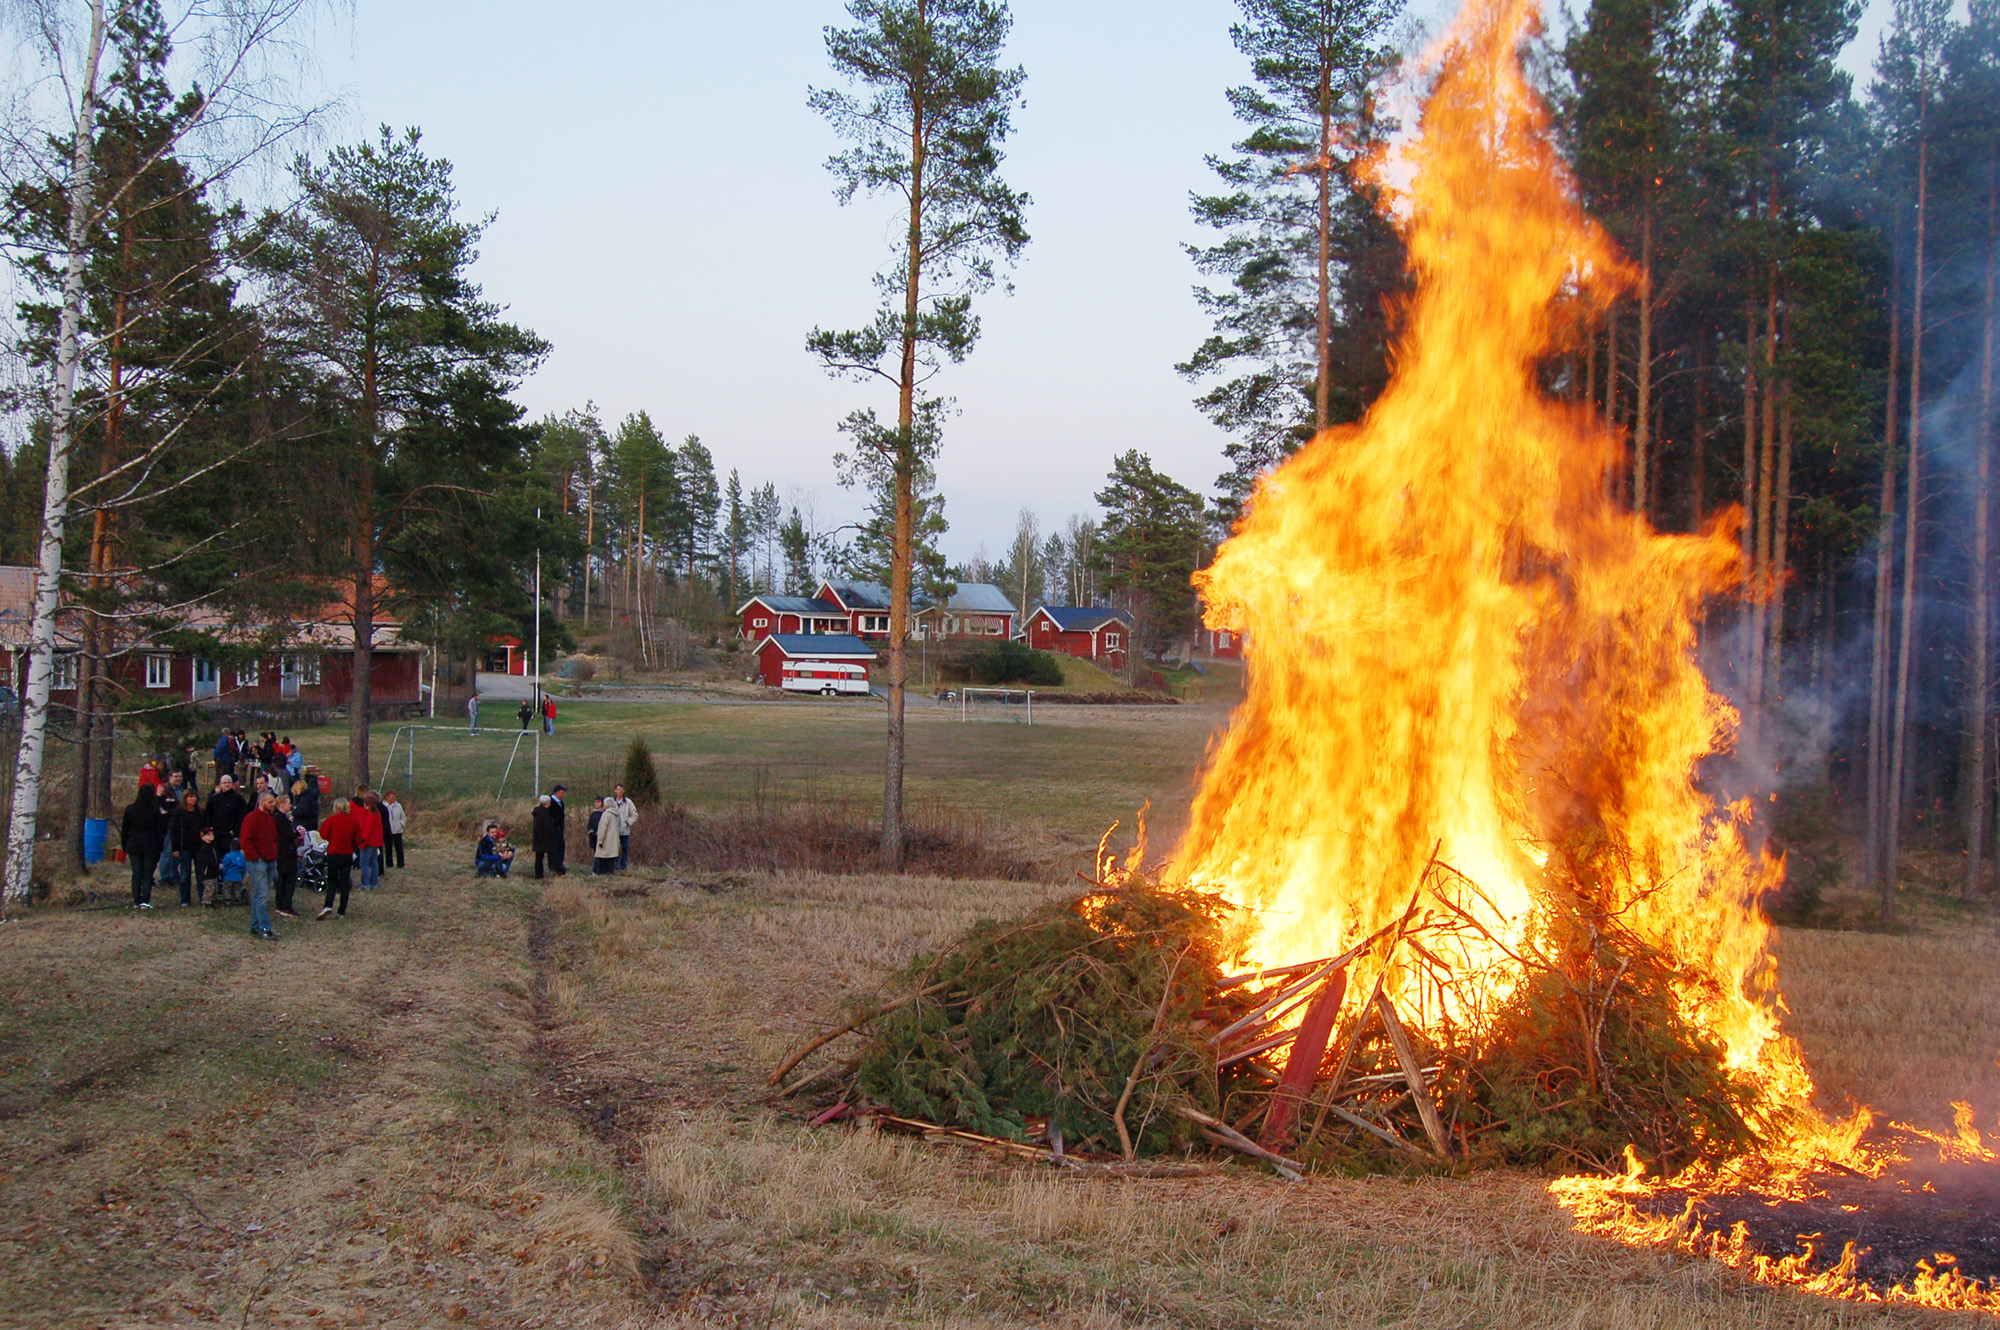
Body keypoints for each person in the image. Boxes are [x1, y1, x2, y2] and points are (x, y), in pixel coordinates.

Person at [119, 785, 167, 909]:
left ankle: (136, 900)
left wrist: (125, 845)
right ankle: (145, 900)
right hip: (150, 845)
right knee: (147, 873)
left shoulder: (130, 809)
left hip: (134, 845)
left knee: (136, 873)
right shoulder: (154, 810)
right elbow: (160, 830)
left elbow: (125, 830)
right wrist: (160, 846)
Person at [240, 792, 280, 940]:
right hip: (258, 861)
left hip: (270, 859)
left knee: (260, 895)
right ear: (263, 803)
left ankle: (255, 925)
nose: (273, 805)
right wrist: (255, 857)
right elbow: (245, 841)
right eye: (270, 802)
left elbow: (274, 838)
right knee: (263, 895)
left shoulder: (270, 819)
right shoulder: (251, 819)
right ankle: (264, 927)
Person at [316, 797, 359, 919]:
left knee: (332, 881)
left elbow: (323, 834)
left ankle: (328, 905)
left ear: (336, 808)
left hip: (333, 853)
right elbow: (359, 838)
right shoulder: (354, 821)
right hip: (347, 854)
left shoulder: (331, 820)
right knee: (345, 882)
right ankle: (341, 910)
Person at [166, 789, 203, 906]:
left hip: (199, 847)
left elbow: (206, 829)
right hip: (184, 847)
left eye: (195, 797)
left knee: (201, 874)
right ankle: (185, 899)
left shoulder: (201, 813)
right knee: (185, 874)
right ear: (185, 798)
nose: (193, 799)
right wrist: (175, 848)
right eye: (190, 797)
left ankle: (203, 897)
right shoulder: (179, 813)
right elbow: (174, 832)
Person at [272, 794, 300, 920]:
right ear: (281, 805)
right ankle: (285, 905)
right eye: (288, 803)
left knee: (282, 879)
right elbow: (288, 835)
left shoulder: (279, 818)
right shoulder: (281, 820)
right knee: (288, 880)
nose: (290, 806)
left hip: (282, 853)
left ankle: (281, 904)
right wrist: (297, 833)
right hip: (285, 853)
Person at [205, 774, 248, 847]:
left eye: (229, 782)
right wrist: (210, 829)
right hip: (217, 835)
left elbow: (242, 816)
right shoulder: (213, 799)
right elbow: (208, 815)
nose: (227, 784)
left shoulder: (239, 799)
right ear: (220, 784)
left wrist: (235, 830)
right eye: (224, 783)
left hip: (232, 835)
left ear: (232, 784)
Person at [354, 788, 384, 889]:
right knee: (373, 863)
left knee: (364, 863)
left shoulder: (371, 815)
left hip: (368, 842)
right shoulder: (376, 813)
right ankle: (374, 883)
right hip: (375, 843)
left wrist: (362, 843)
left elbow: (367, 830)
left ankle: (366, 884)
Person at [606, 783, 639, 871]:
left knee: (625, 848)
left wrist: (628, 823)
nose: (619, 791)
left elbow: (634, 814)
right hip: (613, 830)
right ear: (615, 791)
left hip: (624, 830)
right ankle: (615, 866)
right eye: (618, 789)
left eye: (621, 789)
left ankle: (623, 866)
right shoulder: (611, 802)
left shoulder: (628, 802)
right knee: (614, 849)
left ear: (624, 791)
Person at [193, 826, 222, 907]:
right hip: (208, 873)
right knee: (209, 888)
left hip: (214, 872)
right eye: (208, 834)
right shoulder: (204, 849)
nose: (211, 836)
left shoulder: (213, 847)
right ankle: (207, 903)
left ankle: (212, 901)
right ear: (203, 837)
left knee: (214, 887)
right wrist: (215, 866)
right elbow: (206, 861)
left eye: (211, 834)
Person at [592, 797, 621, 875]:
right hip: (614, 841)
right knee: (611, 858)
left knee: (600, 856)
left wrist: (600, 841)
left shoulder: (606, 814)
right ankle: (609, 873)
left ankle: (598, 872)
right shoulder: (616, 815)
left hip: (606, 840)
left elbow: (602, 829)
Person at [530, 795, 556, 879]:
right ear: (548, 803)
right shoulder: (547, 814)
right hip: (547, 838)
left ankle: (538, 875)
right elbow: (548, 827)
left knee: (538, 858)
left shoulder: (537, 812)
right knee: (552, 855)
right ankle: (555, 871)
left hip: (537, 838)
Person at [218, 837, 247, 906]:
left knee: (227, 889)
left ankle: (227, 901)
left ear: (231, 846)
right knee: (237, 889)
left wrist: (222, 875)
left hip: (228, 877)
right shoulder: (242, 856)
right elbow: (244, 868)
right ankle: (237, 900)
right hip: (238, 877)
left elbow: (224, 867)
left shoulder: (228, 856)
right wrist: (241, 876)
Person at [383, 790, 407, 868]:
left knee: (399, 847)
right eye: (392, 797)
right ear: (387, 797)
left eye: (394, 797)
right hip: (387, 831)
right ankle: (389, 864)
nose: (394, 799)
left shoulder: (398, 806)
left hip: (397, 830)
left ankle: (401, 864)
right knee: (388, 848)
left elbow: (403, 817)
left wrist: (401, 824)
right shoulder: (383, 806)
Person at [547, 785, 568, 876]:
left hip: (560, 829)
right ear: (557, 792)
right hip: (553, 829)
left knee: (560, 847)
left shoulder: (561, 802)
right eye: (562, 792)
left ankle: (559, 864)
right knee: (553, 847)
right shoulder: (550, 802)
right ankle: (552, 865)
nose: (564, 794)